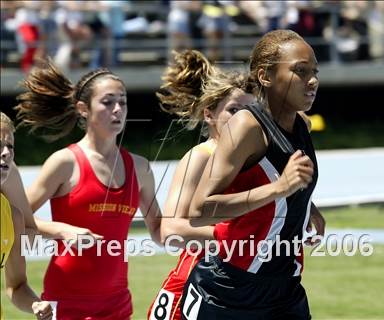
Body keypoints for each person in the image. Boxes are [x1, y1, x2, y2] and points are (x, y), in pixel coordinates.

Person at [181, 29, 324, 319]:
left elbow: (285, 184)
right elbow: (199, 211)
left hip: (286, 288)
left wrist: (308, 206)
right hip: (229, 290)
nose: (312, 81)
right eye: (300, 71)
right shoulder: (246, 127)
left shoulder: (302, 125)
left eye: (314, 72)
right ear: (265, 76)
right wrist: (279, 189)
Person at [14, 61, 162, 319]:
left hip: (118, 304)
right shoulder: (64, 162)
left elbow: (161, 230)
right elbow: (14, 216)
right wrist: (61, 230)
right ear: (83, 108)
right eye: (107, 102)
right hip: (66, 301)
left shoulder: (140, 168)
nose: (118, 110)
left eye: (123, 102)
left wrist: (215, 233)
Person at [147, 49, 256, 320]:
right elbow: (169, 230)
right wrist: (238, 237)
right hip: (194, 283)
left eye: (251, 111)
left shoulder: (254, 160)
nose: (243, 119)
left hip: (238, 283)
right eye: (234, 110)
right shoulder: (200, 157)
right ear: (209, 115)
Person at [0, 112, 53, 320]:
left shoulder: (12, 217)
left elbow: (16, 286)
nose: (6, 153)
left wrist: (36, 304)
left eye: (10, 146)